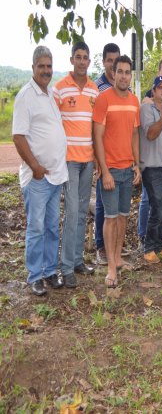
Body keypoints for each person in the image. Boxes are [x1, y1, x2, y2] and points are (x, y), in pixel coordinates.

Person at [12, 46, 68, 296]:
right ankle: (35, 275)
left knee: (52, 226)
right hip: (38, 177)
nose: (46, 70)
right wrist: (35, 166)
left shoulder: (50, 94)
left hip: (56, 175)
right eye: (41, 66)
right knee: (36, 228)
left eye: (49, 66)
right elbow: (18, 136)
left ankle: (48, 271)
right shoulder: (26, 95)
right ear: (33, 67)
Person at [53, 41, 99, 288]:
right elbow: (52, 125)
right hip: (69, 161)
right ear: (71, 59)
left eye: (85, 57)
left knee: (82, 212)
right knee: (71, 213)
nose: (82, 61)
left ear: (89, 61)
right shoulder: (60, 89)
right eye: (78, 57)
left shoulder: (94, 91)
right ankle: (66, 266)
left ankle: (78, 260)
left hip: (88, 160)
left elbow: (95, 127)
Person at [93, 55, 141, 287]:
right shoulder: (103, 99)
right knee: (110, 219)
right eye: (119, 71)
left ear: (130, 75)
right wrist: (105, 170)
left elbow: (134, 135)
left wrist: (137, 165)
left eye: (126, 72)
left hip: (127, 169)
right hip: (110, 170)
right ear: (113, 73)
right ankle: (111, 267)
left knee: (123, 216)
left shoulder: (134, 101)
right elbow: (98, 137)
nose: (123, 76)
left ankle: (119, 257)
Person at [138, 57, 162, 248]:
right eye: (159, 88)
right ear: (153, 91)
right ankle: (149, 246)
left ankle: (160, 243)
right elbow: (151, 134)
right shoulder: (146, 108)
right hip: (151, 168)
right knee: (157, 209)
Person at [94, 43, 120, 265]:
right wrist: (97, 159)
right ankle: (101, 247)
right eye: (110, 60)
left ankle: (115, 247)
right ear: (104, 62)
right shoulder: (98, 88)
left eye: (116, 60)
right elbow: (94, 128)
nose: (113, 65)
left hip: (119, 156)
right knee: (103, 203)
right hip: (102, 157)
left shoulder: (124, 88)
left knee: (118, 207)